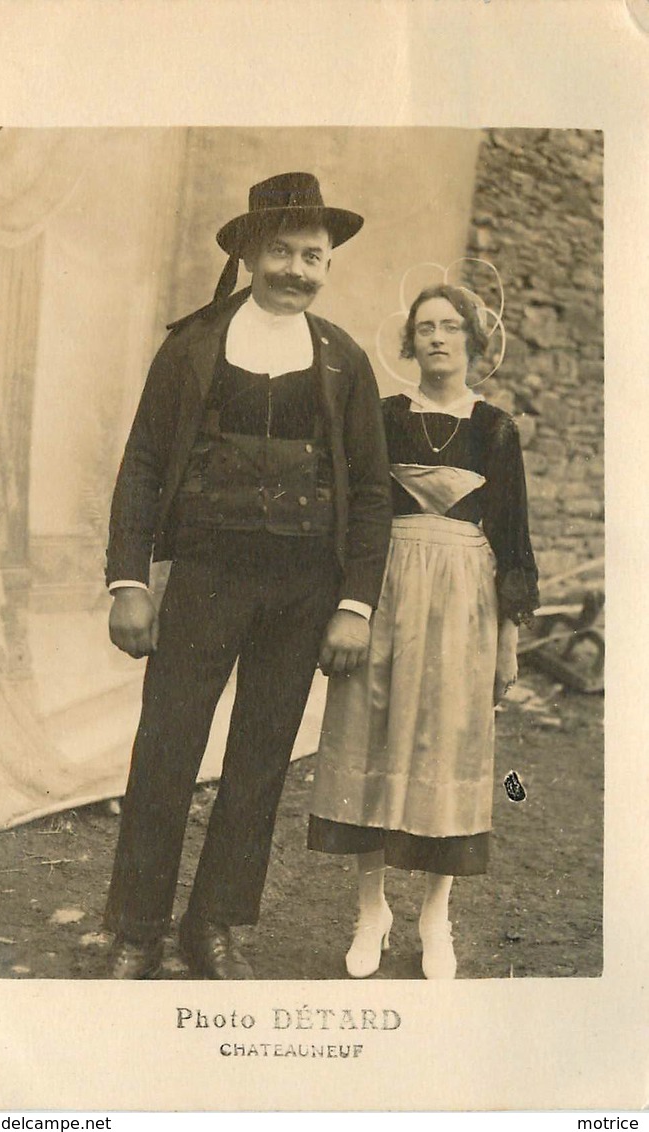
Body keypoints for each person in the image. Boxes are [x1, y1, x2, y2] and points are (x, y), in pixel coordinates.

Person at [103, 172, 392, 979]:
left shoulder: (343, 361)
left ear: (328, 264)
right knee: (165, 751)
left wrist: (353, 603)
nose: (297, 270)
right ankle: (134, 931)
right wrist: (128, 580)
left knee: (261, 760)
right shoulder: (191, 346)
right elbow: (142, 464)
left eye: (314, 255)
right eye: (281, 252)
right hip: (205, 577)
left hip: (303, 590)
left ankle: (216, 927)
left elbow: (370, 491)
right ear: (247, 253)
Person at [308, 282, 539, 979]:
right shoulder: (379, 417)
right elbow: (351, 512)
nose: (437, 338)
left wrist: (508, 634)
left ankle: (435, 913)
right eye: (424, 328)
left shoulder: (495, 428)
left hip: (465, 596)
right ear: (409, 342)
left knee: (448, 741)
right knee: (369, 732)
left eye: (450, 327)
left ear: (472, 341)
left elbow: (512, 534)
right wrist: (346, 602)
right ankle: (369, 907)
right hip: (385, 587)